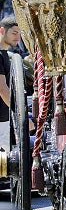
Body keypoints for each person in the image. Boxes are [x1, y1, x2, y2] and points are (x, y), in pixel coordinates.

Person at [0, 16, 22, 153]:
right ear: (2, 30)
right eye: (14, 33)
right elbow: (2, 89)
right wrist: (21, 115)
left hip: (5, 119)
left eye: (20, 34)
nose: (18, 38)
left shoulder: (4, 54)